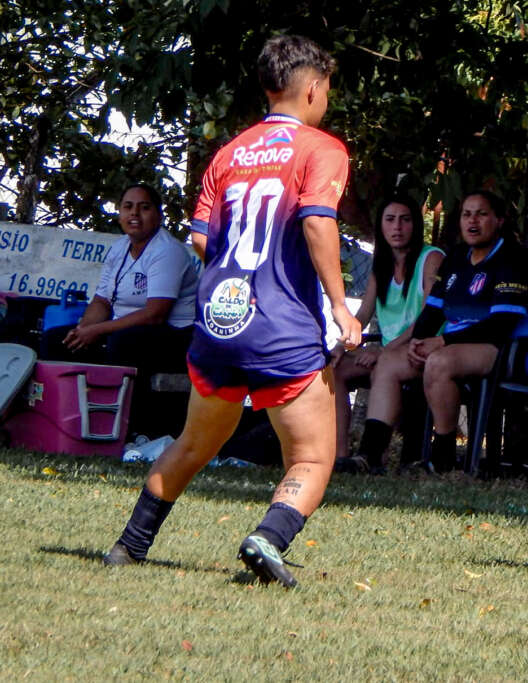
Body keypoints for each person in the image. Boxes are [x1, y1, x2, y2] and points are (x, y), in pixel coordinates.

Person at [103, 35, 362, 588]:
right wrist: (340, 306)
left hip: (221, 320)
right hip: (282, 326)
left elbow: (200, 240)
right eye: (328, 90)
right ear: (313, 88)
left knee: (194, 443)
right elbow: (318, 221)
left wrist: (237, 277)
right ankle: (267, 537)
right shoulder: (321, 149)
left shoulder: (229, 153)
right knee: (313, 458)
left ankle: (130, 546)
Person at [351, 190, 528, 474]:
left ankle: (441, 458)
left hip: (516, 350)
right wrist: (416, 342)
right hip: (458, 346)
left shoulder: (513, 258)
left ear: (499, 220)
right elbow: (432, 312)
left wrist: (443, 340)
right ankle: (369, 456)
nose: (473, 221)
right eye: (467, 214)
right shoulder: (457, 257)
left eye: (482, 214)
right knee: (389, 362)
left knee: (440, 361)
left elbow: (501, 325)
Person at [39, 182, 198, 436]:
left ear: (158, 215)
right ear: (120, 213)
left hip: (177, 335)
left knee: (122, 343)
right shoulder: (119, 248)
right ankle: (62, 423)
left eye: (144, 208)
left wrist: (99, 330)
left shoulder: (167, 251)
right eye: (128, 207)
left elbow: (155, 314)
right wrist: (83, 330)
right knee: (56, 340)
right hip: (125, 330)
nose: (135, 214)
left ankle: (126, 429)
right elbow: (102, 301)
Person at [333, 195, 444, 472]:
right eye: (390, 220)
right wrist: (342, 345)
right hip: (388, 352)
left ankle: (370, 457)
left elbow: (428, 317)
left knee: (384, 364)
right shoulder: (380, 264)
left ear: (416, 225)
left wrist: (385, 349)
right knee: (333, 368)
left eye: (405, 220)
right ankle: (340, 456)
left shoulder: (431, 259)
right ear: (380, 225)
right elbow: (362, 315)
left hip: (423, 349)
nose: (397, 227)